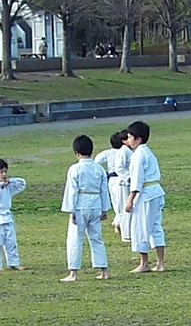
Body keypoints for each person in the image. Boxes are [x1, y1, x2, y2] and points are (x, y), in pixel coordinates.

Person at [60, 134, 111, 282]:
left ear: (76, 153)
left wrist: (71, 210)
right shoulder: (99, 169)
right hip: (95, 204)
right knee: (96, 238)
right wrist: (104, 209)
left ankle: (73, 273)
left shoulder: (75, 169)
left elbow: (72, 191)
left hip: (80, 205)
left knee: (75, 238)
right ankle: (104, 271)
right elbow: (104, 190)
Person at [123, 120, 165, 273]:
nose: (128, 141)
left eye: (130, 137)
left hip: (146, 194)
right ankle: (160, 263)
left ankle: (144, 262)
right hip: (156, 192)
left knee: (140, 227)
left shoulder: (138, 155)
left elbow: (137, 179)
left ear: (138, 139)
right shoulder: (149, 153)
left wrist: (130, 200)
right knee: (155, 226)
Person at [0, 158, 27, 271]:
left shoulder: (8, 186)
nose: (4, 174)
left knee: (11, 241)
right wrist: (0, 184)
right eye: (1, 172)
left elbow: (22, 184)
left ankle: (14, 263)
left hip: (7, 216)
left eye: (5, 172)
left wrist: (9, 181)